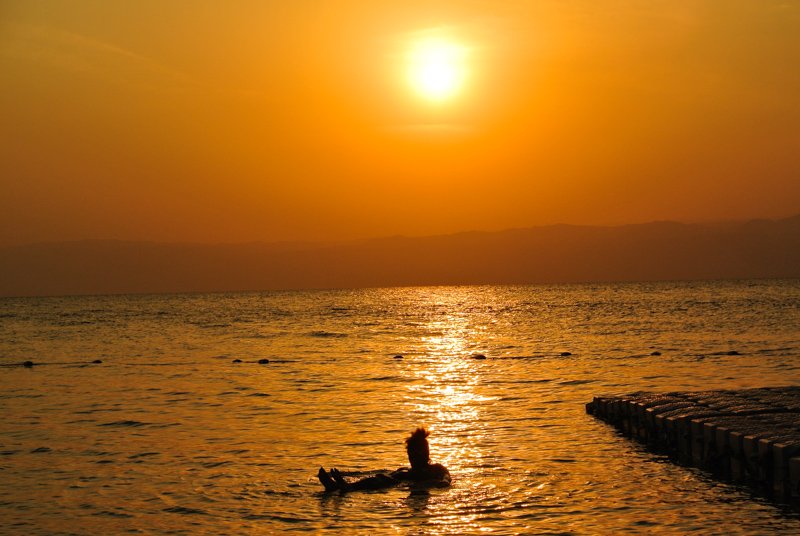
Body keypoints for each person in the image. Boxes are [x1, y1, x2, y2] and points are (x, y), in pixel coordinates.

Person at [318, 427, 451, 492]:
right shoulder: (404, 470)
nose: (412, 459)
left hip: (403, 483)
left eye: (415, 455)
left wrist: (444, 482)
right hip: (401, 480)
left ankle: (348, 487)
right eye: (410, 455)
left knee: (381, 479)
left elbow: (446, 476)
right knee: (381, 477)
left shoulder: (435, 469)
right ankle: (338, 486)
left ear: (425, 454)